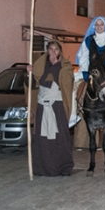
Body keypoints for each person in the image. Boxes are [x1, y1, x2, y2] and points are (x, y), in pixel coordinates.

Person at [27, 40, 75, 176]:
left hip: (57, 106)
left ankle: (62, 167)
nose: (53, 52)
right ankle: (42, 168)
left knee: (60, 137)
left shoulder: (65, 67)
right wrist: (29, 73)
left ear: (60, 52)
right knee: (42, 138)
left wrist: (56, 68)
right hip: (43, 106)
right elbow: (33, 85)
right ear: (47, 51)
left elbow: (66, 83)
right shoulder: (39, 66)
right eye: (51, 49)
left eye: (56, 49)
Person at [70, 17, 105, 131]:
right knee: (73, 85)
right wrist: (88, 71)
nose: (99, 26)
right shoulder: (88, 40)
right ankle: (73, 114)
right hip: (91, 71)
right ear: (93, 26)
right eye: (97, 24)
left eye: (101, 24)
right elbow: (83, 57)